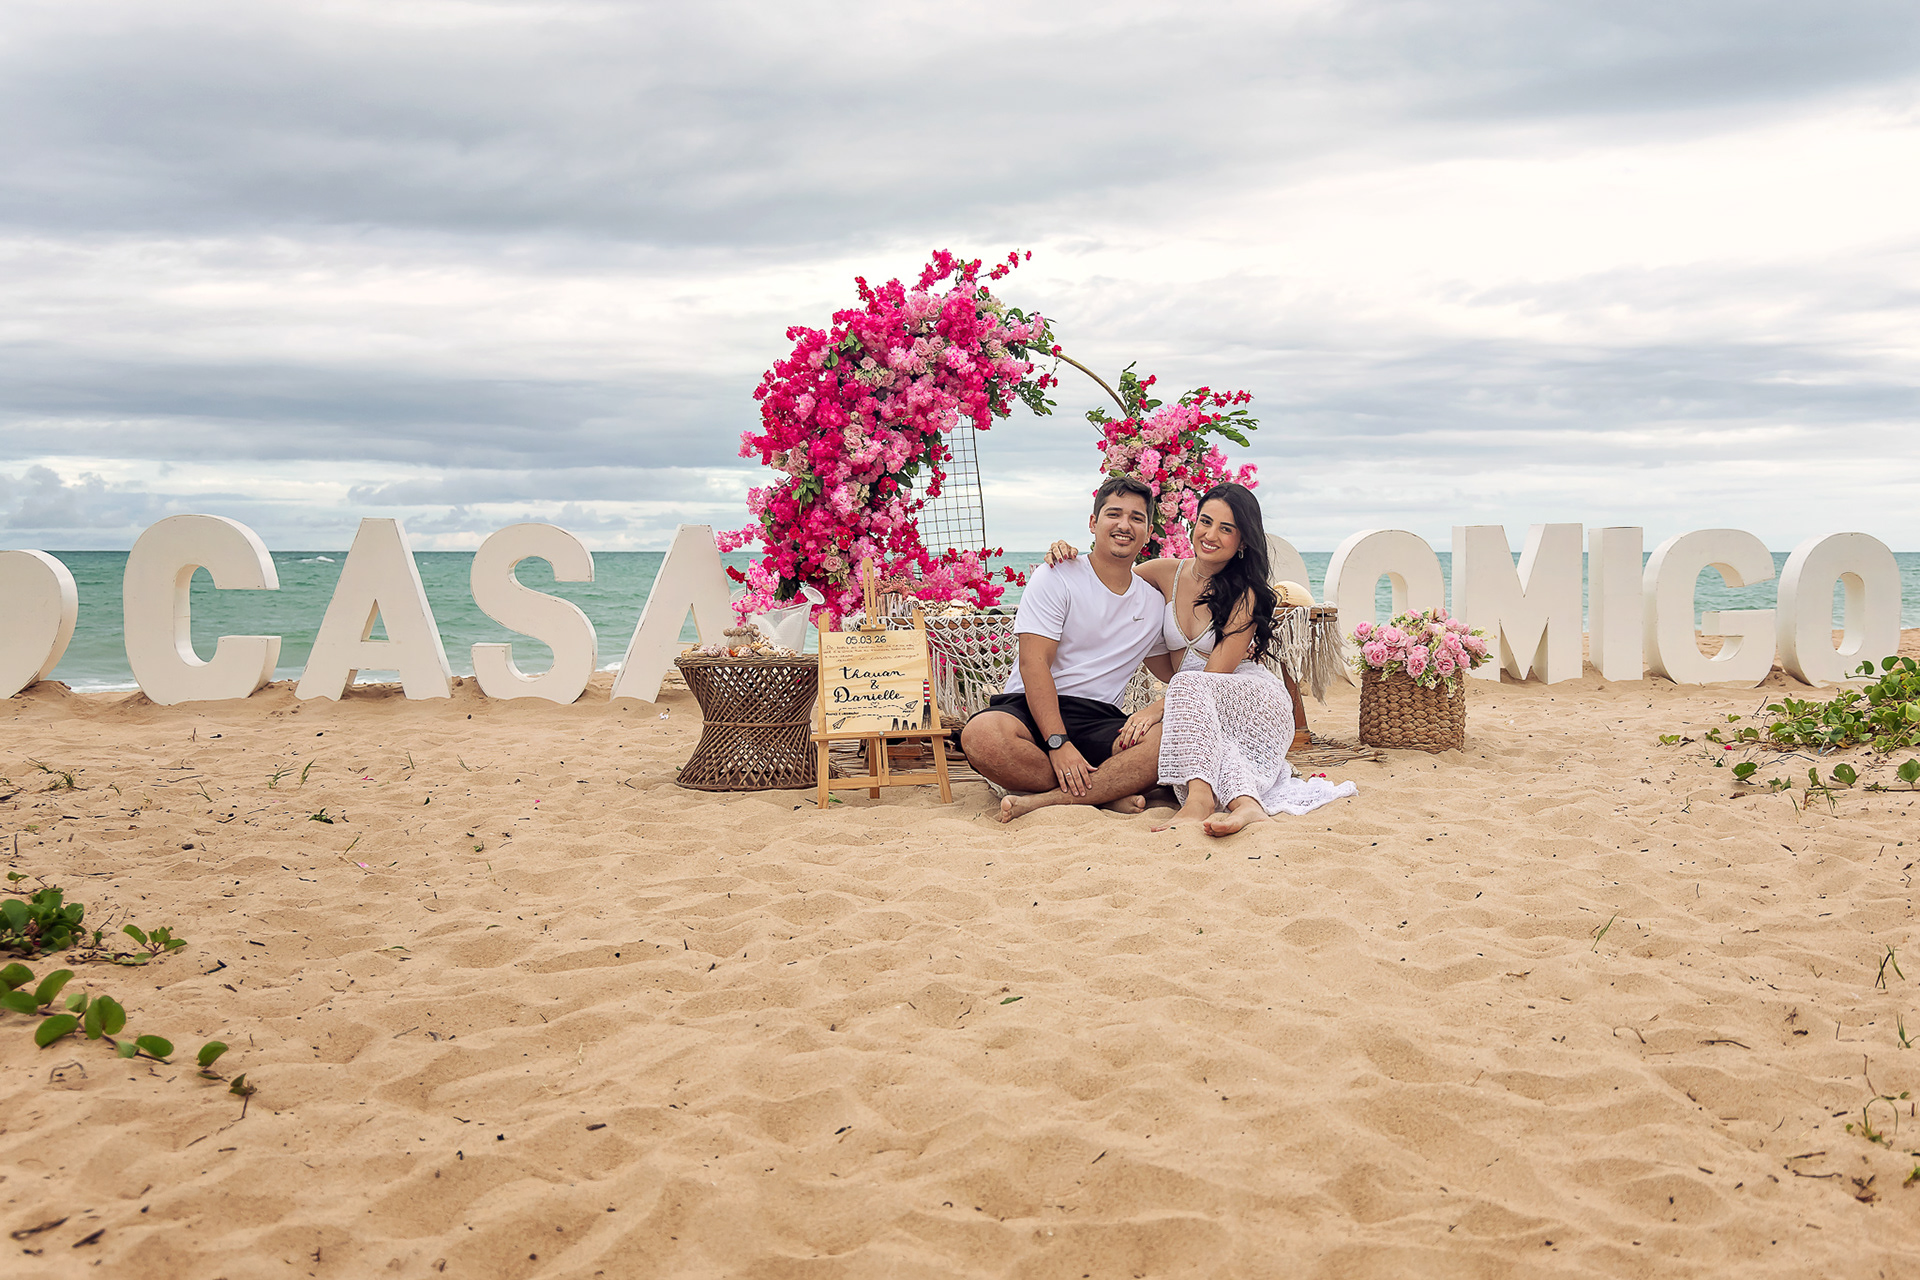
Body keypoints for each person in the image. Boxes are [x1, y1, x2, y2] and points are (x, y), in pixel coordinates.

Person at [1051, 483, 1357, 836]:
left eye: (1226, 529)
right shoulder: (1163, 573)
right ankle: (1247, 805)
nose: (1210, 535)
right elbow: (1107, 578)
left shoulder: (1246, 594)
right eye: (1205, 522)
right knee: (1212, 740)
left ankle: (1199, 802)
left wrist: (1153, 710)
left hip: (1247, 697)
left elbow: (1214, 675)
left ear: (1242, 542)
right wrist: (1069, 558)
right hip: (1191, 702)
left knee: (1189, 689)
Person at [960, 476, 1177, 822]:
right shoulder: (1057, 575)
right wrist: (1058, 743)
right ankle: (1105, 793)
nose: (1124, 525)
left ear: (1149, 532)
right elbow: (1033, 664)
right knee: (982, 736)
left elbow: (1175, 672)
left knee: (1169, 740)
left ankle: (1057, 798)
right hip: (1029, 707)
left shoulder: (1152, 603)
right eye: (1114, 514)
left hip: (1099, 718)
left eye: (1136, 518)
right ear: (1093, 523)